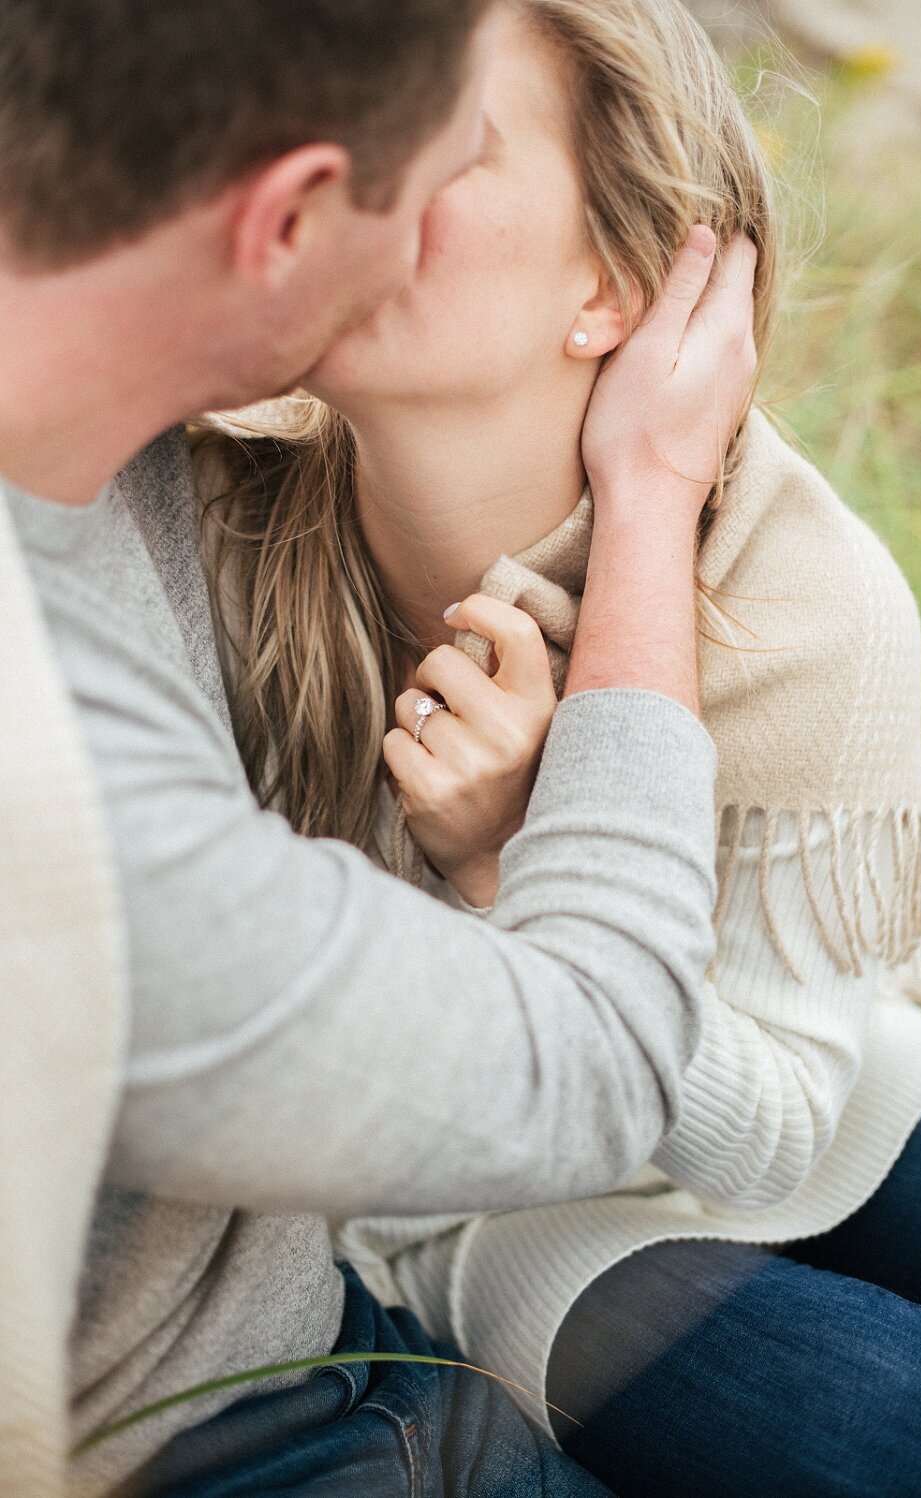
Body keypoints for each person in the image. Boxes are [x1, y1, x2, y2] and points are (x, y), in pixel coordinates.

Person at [196, 1, 921, 1494]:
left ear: (612, 294)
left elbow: (771, 1132)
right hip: (461, 1198)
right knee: (893, 1431)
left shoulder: (803, 600)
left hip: (781, 1094)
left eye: (445, 144)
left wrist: (515, 871)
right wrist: (510, 897)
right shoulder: (217, 532)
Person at [0, 2, 762, 1495]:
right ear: (289, 217)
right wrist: (656, 491)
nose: (422, 226)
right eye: (440, 154)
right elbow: (593, 1060)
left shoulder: (109, 421)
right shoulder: (65, 783)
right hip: (215, 1434)